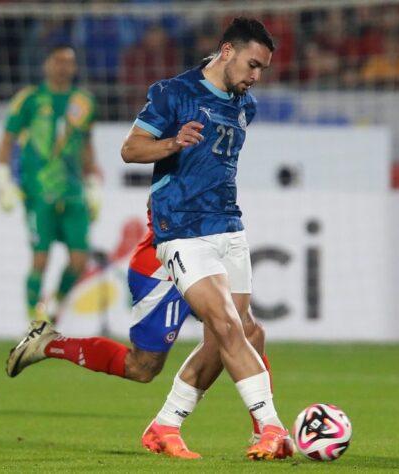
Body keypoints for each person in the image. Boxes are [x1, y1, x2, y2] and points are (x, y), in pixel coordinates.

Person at [119, 17, 292, 461]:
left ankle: (165, 424)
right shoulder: (173, 93)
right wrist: (173, 143)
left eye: (263, 71)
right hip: (181, 230)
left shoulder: (243, 105)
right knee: (228, 325)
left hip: (229, 227)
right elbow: (131, 149)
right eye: (253, 65)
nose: (256, 77)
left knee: (241, 332)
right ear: (227, 51)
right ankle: (272, 429)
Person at [6, 203, 279, 459]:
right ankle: (49, 343)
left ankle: (263, 434)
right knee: (142, 367)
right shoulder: (176, 156)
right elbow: (148, 175)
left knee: (246, 331)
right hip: (162, 268)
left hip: (208, 253)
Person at [0, 45, 102, 322]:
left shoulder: (84, 102)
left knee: (79, 261)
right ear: (46, 65)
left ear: (75, 67)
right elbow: (7, 140)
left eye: (69, 62)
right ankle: (34, 318)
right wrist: (3, 179)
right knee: (40, 259)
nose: (63, 67)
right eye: (58, 61)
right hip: (38, 191)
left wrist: (92, 183)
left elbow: (86, 145)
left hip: (73, 191)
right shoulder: (29, 100)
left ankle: (53, 306)